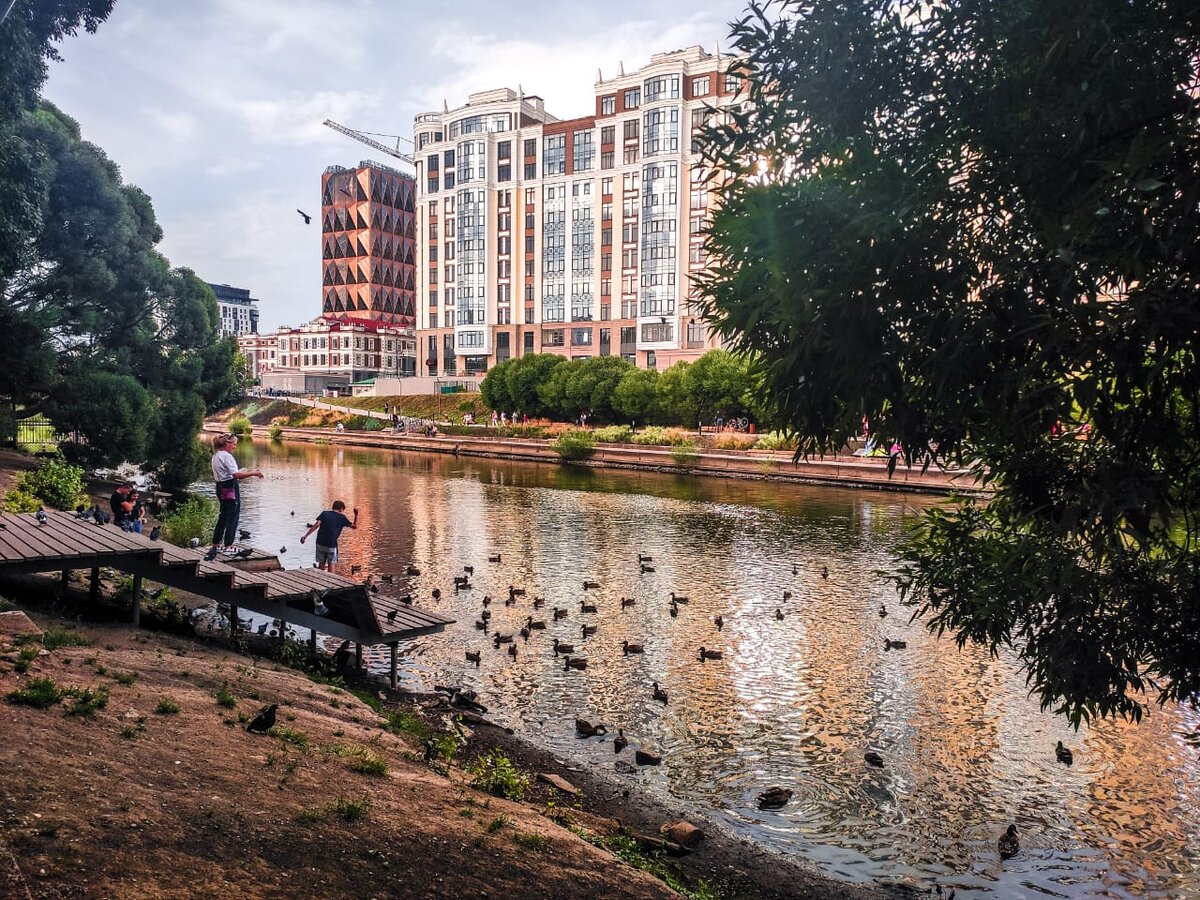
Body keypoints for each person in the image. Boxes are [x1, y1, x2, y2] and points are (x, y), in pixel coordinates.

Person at [207, 433, 263, 560]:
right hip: (230, 487)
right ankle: (229, 545)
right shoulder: (227, 457)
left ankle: (216, 543)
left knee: (223, 515)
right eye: (234, 444)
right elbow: (236, 475)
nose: (235, 447)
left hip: (220, 486)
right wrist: (253, 472)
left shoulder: (215, 456)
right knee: (233, 515)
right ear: (227, 443)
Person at [300, 501, 359, 587]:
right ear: (341, 509)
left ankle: (320, 585)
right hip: (331, 544)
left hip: (320, 542)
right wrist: (356, 514)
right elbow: (354, 526)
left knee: (321, 564)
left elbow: (316, 525)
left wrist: (305, 536)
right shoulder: (342, 517)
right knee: (331, 565)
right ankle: (331, 586)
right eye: (343, 510)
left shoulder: (324, 513)